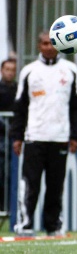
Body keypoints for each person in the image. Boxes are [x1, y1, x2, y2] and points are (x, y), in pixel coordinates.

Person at [10, 31, 77, 237]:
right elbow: (20, 107)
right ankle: (25, 225)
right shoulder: (29, 71)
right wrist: (17, 136)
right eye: (44, 43)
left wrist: (76, 136)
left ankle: (53, 226)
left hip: (60, 136)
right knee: (30, 184)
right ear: (38, 46)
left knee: (55, 186)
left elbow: (76, 107)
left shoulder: (71, 71)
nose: (48, 47)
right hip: (35, 135)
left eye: (52, 43)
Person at [0, 58, 17, 210]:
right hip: (1, 137)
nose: (10, 73)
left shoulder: (18, 89)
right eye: (7, 69)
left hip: (13, 137)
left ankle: (9, 208)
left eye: (13, 70)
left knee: (11, 174)